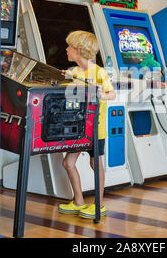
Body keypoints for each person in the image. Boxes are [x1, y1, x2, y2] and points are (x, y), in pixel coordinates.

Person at [58, 30, 116, 219]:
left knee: (94, 163)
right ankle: (79, 201)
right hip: (77, 127)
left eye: (69, 46)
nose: (66, 49)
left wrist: (101, 94)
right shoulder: (73, 72)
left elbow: (112, 94)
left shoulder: (99, 72)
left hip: (95, 129)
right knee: (68, 163)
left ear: (78, 50)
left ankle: (99, 205)